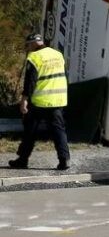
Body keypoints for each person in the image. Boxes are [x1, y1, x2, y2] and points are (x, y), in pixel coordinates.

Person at [9, 34, 70, 170]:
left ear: (33, 44)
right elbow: (64, 75)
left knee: (30, 131)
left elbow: (30, 82)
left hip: (40, 101)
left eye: (29, 45)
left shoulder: (34, 57)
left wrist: (24, 100)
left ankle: (22, 160)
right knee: (59, 130)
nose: (28, 48)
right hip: (58, 100)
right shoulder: (57, 54)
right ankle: (64, 160)